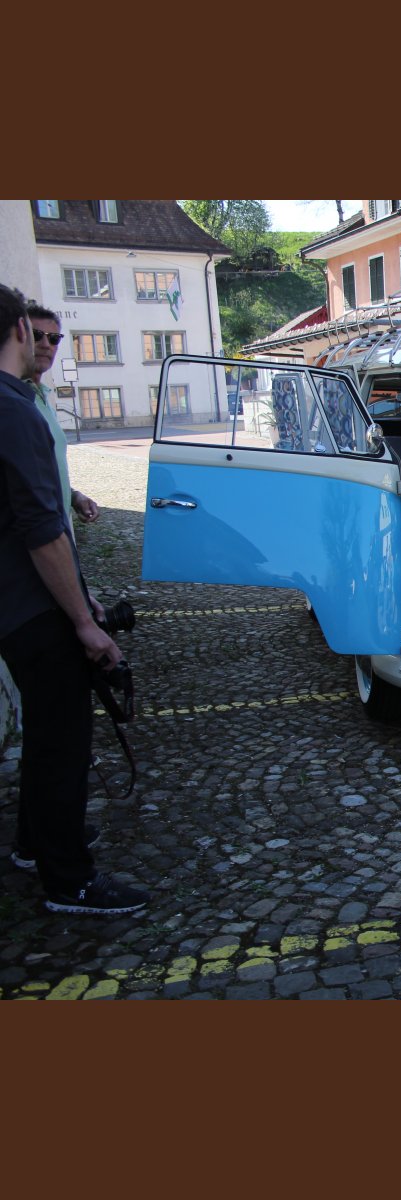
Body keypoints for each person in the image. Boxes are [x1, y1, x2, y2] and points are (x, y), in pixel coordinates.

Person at [0, 282, 149, 915]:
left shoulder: (17, 402)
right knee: (61, 742)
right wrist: (86, 622)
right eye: (37, 334)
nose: (46, 345)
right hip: (34, 605)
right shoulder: (15, 409)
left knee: (44, 733)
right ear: (18, 331)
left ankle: (36, 841)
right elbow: (42, 531)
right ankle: (70, 880)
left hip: (13, 605)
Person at [25, 302, 99, 530]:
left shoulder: (42, 395)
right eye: (36, 335)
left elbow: (46, 469)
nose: (46, 345)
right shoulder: (13, 399)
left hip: (57, 525)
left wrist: (73, 496)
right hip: (35, 535)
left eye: (54, 338)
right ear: (18, 338)